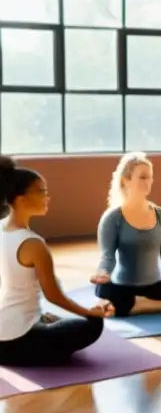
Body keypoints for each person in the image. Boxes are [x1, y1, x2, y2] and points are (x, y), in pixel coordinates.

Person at [0, 157, 112, 366]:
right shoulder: (33, 243)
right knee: (93, 324)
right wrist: (91, 312)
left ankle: (43, 329)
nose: (48, 197)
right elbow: (54, 296)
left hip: (3, 336)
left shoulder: (1, 229)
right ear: (21, 200)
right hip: (16, 343)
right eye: (41, 191)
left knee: (56, 318)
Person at [92, 152, 161, 317]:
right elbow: (107, 258)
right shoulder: (112, 218)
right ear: (126, 180)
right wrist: (102, 273)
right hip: (124, 287)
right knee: (103, 289)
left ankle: (137, 305)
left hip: (154, 287)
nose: (148, 182)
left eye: (150, 177)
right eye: (142, 177)